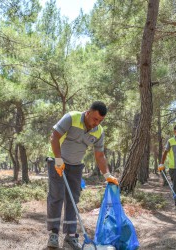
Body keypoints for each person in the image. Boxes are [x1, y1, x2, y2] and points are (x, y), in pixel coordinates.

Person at [46, 101, 118, 249]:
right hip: (57, 161)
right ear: (88, 113)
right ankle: (53, 234)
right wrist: (58, 159)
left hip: (76, 166)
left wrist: (107, 175)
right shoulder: (71, 118)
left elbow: (100, 155)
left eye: (100, 120)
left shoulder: (99, 131)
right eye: (95, 119)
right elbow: (54, 137)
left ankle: (70, 236)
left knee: (73, 199)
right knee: (57, 196)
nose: (96, 123)